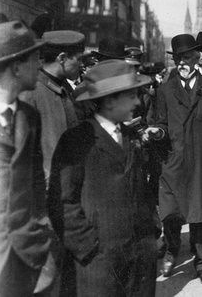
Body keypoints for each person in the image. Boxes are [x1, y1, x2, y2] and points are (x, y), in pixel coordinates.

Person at [50, 60, 157, 296]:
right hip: (96, 268)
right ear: (109, 100)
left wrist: (151, 233)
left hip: (138, 261)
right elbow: (62, 202)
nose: (138, 102)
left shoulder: (131, 137)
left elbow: (142, 190)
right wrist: (88, 250)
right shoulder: (76, 140)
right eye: (131, 96)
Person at [148, 34, 202, 284]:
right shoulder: (165, 90)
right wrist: (158, 132)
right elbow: (161, 122)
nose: (182, 62)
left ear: (197, 58)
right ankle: (171, 253)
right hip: (174, 161)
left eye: (187, 57)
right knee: (171, 214)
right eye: (178, 58)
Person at [0, 20, 57, 296]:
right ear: (16, 67)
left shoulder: (28, 117)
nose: (39, 65)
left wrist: (41, 235)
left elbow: (34, 184)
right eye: (35, 59)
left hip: (28, 254)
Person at [20, 30, 85, 185]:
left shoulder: (62, 88)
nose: (82, 65)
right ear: (62, 58)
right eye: (79, 59)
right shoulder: (31, 91)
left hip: (65, 187)